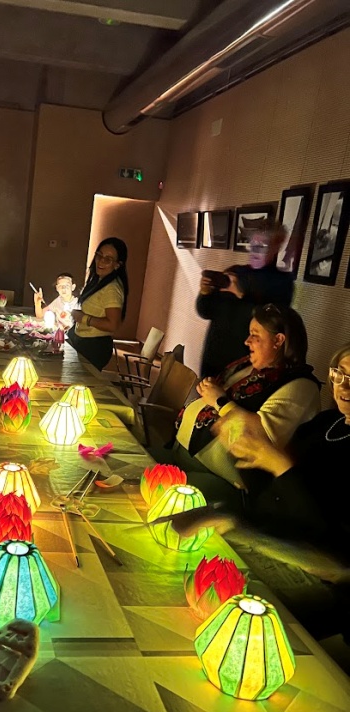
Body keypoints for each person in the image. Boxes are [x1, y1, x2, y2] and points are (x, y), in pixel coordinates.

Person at [211, 342, 350, 641]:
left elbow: (329, 537)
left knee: (219, 606)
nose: (344, 387)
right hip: (276, 540)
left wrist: (280, 465)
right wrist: (244, 448)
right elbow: (274, 491)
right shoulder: (326, 423)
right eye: (339, 374)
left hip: (320, 577)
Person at [150, 304, 321, 504]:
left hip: (221, 478)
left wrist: (220, 401)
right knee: (128, 463)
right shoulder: (247, 366)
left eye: (255, 335)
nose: (247, 341)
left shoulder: (301, 386)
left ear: (278, 340)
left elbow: (262, 437)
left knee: (154, 494)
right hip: (181, 454)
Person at [197, 220, 294, 377]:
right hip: (212, 358)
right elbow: (205, 312)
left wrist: (240, 295)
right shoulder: (235, 272)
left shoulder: (282, 283)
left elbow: (273, 324)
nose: (254, 251)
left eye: (262, 246)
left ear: (276, 247)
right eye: (252, 245)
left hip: (246, 361)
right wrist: (204, 293)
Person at [68, 237, 129, 371]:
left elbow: (113, 324)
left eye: (108, 259)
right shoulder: (99, 281)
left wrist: (83, 318)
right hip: (83, 340)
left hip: (93, 345)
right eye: (99, 255)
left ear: (117, 265)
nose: (101, 261)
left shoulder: (111, 288)